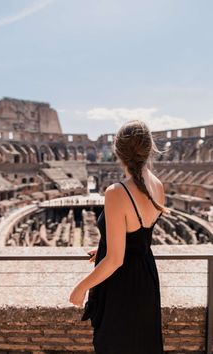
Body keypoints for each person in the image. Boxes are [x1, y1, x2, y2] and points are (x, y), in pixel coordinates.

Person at [69, 119, 169, 354]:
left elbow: (116, 260)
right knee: (142, 343)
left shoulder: (117, 192)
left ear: (117, 150)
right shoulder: (158, 185)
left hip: (121, 285)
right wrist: (104, 246)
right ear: (149, 148)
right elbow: (138, 238)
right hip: (146, 278)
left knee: (115, 344)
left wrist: (81, 288)